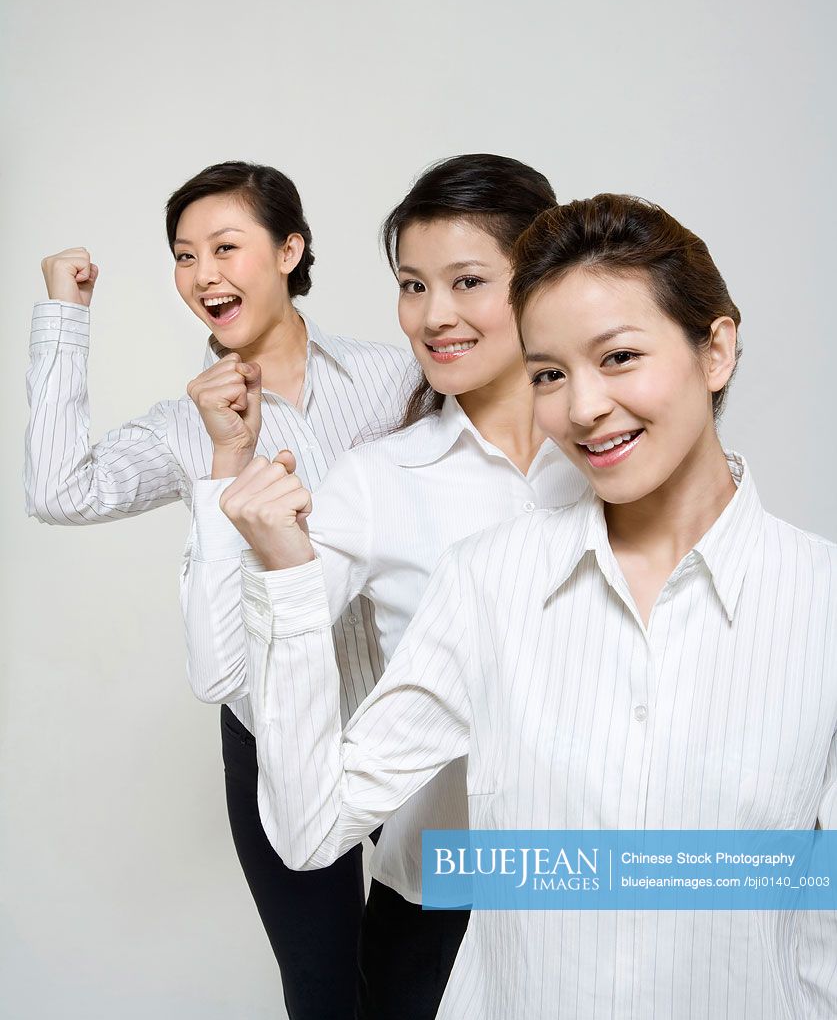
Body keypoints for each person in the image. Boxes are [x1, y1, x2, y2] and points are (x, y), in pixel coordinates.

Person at [220, 193, 837, 1018]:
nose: (580, 408)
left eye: (617, 357)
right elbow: (309, 828)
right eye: (549, 372)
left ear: (714, 347)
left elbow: (820, 923)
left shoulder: (819, 602)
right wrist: (289, 581)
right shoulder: (490, 582)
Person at [181, 153, 588, 1019]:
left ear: (543, 285)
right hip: (438, 900)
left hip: (596, 879)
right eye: (412, 285)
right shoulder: (378, 479)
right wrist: (229, 490)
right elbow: (223, 669)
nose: (433, 315)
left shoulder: (612, 458)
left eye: (466, 281)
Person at [24, 160, 416, 1020]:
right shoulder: (185, 421)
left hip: (408, 725)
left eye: (225, 247)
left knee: (426, 984)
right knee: (322, 994)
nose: (203, 274)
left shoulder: (396, 379)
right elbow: (57, 489)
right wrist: (66, 309)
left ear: (289, 249)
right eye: (183, 255)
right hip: (274, 738)